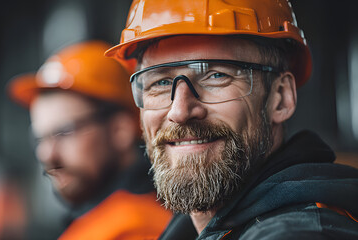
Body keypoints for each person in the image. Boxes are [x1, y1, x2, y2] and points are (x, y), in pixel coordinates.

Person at [105, 0, 358, 239]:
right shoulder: (200, 227)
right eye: (160, 82)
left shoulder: (300, 233)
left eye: (216, 75)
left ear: (280, 98)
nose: (179, 112)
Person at [8, 40, 172, 239]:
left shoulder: (136, 229)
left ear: (119, 130)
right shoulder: (99, 221)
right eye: (40, 138)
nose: (46, 154)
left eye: (64, 132)